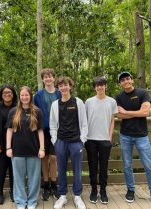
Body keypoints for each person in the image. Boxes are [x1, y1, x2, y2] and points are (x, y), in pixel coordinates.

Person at [116, 71, 151, 208]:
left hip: (142, 136)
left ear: (131, 80)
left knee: (148, 165)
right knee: (127, 165)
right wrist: (135, 113)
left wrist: (126, 112)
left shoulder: (142, 93)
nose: (126, 81)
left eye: (128, 79)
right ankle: (131, 190)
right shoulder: (119, 97)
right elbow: (118, 116)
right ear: (120, 83)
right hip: (125, 135)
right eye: (123, 80)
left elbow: (145, 112)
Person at [50, 77, 88, 209]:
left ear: (70, 86)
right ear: (58, 88)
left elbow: (84, 123)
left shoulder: (78, 102)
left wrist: (82, 140)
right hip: (61, 142)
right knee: (61, 169)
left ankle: (77, 196)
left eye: (65, 85)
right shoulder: (55, 104)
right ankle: (63, 196)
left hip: (76, 142)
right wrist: (55, 141)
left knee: (77, 170)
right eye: (60, 86)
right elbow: (53, 125)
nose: (63, 88)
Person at [6, 86, 45, 209]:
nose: (24, 97)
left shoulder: (37, 111)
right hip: (17, 151)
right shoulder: (13, 112)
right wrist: (8, 148)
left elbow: (40, 132)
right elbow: (9, 131)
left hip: (34, 151)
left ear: (30, 96)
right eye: (22, 95)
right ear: (19, 96)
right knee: (18, 178)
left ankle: (32, 201)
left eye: (26, 95)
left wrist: (42, 148)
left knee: (34, 178)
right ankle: (21, 201)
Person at [85, 76, 118, 204]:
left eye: (102, 85)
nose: (100, 87)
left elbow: (112, 121)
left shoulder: (112, 102)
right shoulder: (88, 102)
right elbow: (84, 120)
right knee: (92, 166)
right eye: (97, 85)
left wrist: (109, 138)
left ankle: (103, 191)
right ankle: (94, 190)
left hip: (105, 140)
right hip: (91, 139)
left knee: (104, 167)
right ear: (95, 87)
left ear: (105, 86)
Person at [34, 68, 61, 200]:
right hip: (43, 130)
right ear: (43, 79)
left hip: (57, 130)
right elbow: (35, 114)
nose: (48, 79)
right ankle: (45, 184)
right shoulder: (38, 95)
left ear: (54, 78)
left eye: (50, 76)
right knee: (44, 157)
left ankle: (54, 183)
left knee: (54, 158)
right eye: (45, 77)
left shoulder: (60, 93)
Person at [0, 84, 17, 204]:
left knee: (13, 169)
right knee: (2, 169)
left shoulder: (18, 107)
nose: (7, 95)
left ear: (13, 94)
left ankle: (13, 191)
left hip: (16, 144)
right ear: (1, 95)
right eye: (5, 93)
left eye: (9, 92)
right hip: (1, 144)